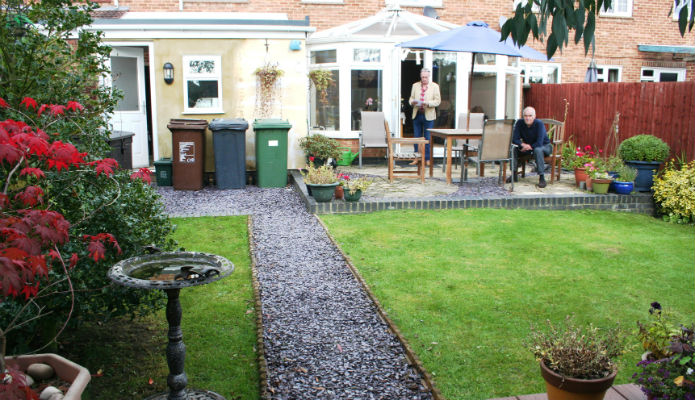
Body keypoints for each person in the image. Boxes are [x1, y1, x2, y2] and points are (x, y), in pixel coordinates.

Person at [512, 106, 552, 188]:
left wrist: (528, 146)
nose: (527, 118)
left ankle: (542, 178)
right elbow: (514, 139)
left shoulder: (539, 124)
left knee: (537, 150)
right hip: (529, 147)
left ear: (534, 116)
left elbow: (539, 142)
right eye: (525, 116)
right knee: (513, 149)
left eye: (530, 116)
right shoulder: (520, 123)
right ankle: (514, 174)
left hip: (545, 146)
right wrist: (523, 145)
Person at [409, 68, 441, 166]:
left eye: (426, 77)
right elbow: (411, 98)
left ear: (429, 77)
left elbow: (437, 101)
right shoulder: (415, 85)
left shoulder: (435, 86)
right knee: (416, 138)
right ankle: (416, 158)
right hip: (417, 114)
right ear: (420, 76)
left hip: (429, 115)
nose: (424, 79)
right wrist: (412, 102)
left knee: (427, 138)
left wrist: (427, 103)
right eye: (422, 77)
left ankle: (427, 159)